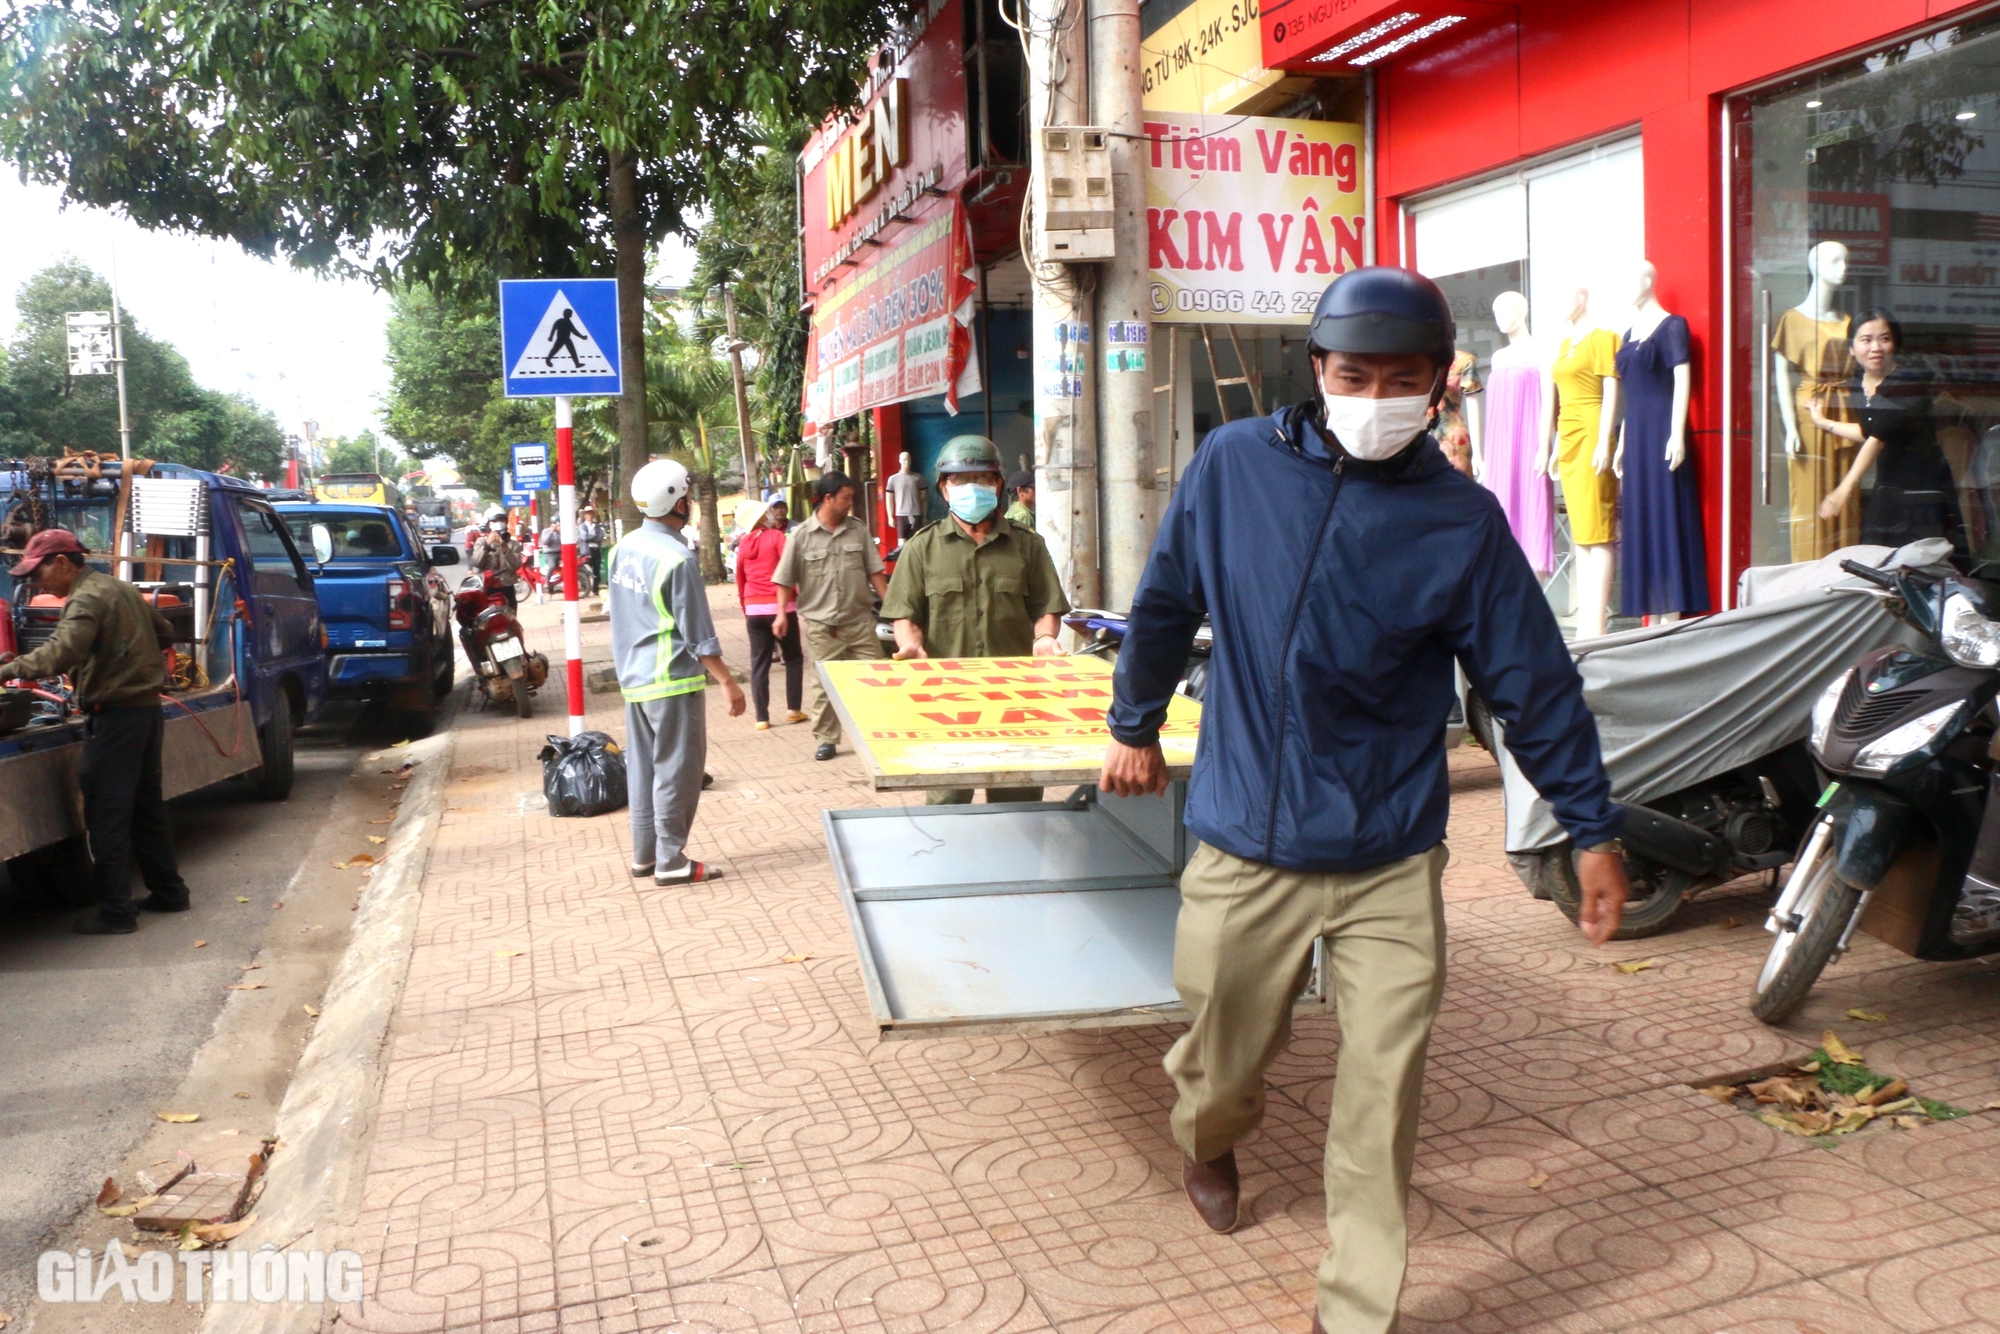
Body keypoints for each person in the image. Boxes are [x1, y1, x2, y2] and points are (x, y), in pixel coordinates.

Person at [1098, 267, 1629, 1334]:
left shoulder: (1461, 523)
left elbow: (1531, 681)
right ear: (1317, 370)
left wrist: (1591, 824)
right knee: (1216, 1058)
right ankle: (1207, 1133)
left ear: (1439, 385)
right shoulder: (1231, 466)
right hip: (1246, 836)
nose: (1376, 394)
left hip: (1388, 851)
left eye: (1403, 378)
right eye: (1354, 373)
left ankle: (1352, 1313)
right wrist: (1132, 723)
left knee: (1381, 1094)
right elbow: (1161, 602)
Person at [0, 530, 190, 934]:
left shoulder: (85, 598)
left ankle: (116, 913)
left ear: (64, 563)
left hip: (116, 718)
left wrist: (7, 670)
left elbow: (58, 654)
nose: (37, 583)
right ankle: (170, 892)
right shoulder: (117, 587)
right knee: (145, 808)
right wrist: (122, 657)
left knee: (106, 815)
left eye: (41, 572)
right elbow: (165, 634)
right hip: (144, 712)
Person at [882, 434, 1069, 804]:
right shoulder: (921, 547)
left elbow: (1047, 605)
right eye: (959, 480)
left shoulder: (1028, 545)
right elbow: (905, 613)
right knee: (947, 802)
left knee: (1019, 803)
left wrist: (1044, 638)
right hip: (946, 703)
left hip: (1016, 700)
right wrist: (911, 643)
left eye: (982, 479)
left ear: (998, 485)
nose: (971, 488)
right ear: (944, 488)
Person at [609, 459, 746, 885]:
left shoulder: (622, 549)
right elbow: (698, 632)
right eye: (687, 495)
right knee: (678, 771)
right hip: (671, 680)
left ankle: (645, 855)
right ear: (677, 501)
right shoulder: (677, 557)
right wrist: (727, 680)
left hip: (634, 679)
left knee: (645, 770)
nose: (691, 502)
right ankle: (672, 861)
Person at [1809, 308, 1965, 553]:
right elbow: (1868, 430)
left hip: (1921, 488)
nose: (1876, 347)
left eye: (1884, 338)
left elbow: (1877, 439)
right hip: (1888, 485)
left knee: (1921, 563)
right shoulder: (1857, 384)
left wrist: (1845, 488)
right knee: (1876, 558)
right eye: (1866, 340)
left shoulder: (1908, 381)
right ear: (1852, 348)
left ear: (1895, 344)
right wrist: (1823, 423)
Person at [771, 471, 888, 762]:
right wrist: (781, 615)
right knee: (824, 685)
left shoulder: (858, 531)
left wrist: (894, 609)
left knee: (878, 678)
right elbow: (785, 578)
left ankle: (880, 732)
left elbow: (875, 572)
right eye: (846, 498)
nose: (850, 503)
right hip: (823, 627)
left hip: (860, 623)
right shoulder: (801, 536)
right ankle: (826, 739)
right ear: (828, 498)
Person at [733, 497, 804, 731]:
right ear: (761, 518)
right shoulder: (776, 537)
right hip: (781, 608)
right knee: (793, 658)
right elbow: (788, 569)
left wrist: (746, 608)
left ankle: (762, 718)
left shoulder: (743, 545)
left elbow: (740, 579)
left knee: (759, 663)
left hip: (754, 610)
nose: (770, 515)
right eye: (766, 513)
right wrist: (797, 594)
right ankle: (793, 710)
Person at [471, 512, 524, 609]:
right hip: (486, 588)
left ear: (506, 523)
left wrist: (504, 547)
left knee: (509, 618)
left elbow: (515, 566)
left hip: (506, 588)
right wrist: (487, 545)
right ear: (488, 524)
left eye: (501, 520)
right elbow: (476, 563)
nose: (498, 523)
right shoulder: (481, 541)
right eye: (494, 521)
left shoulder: (514, 544)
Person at [886, 452, 926, 542]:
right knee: (901, 544)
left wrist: (924, 515)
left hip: (916, 514)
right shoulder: (893, 479)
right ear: (899, 461)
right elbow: (889, 499)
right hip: (901, 515)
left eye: (908, 460)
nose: (906, 462)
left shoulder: (919, 478)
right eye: (904, 460)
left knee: (918, 542)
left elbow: (923, 498)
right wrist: (890, 516)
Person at [575, 506, 604, 591]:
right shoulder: (582, 526)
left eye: (591, 513)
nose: (589, 515)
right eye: (587, 514)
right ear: (584, 515)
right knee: (586, 569)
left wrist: (592, 538)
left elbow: (601, 537)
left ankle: (595, 588)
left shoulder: (597, 526)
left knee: (597, 569)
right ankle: (585, 587)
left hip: (596, 550)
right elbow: (585, 537)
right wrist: (595, 536)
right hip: (587, 551)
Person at [535, 522, 561, 603]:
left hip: (559, 553)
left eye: (557, 524)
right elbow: (545, 542)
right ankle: (547, 582)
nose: (555, 526)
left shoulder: (560, 531)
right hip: (550, 554)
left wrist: (560, 532)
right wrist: (551, 532)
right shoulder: (546, 531)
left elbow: (563, 541)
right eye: (553, 524)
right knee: (552, 566)